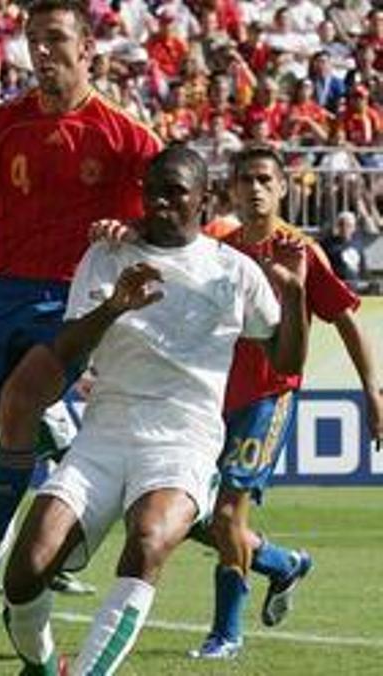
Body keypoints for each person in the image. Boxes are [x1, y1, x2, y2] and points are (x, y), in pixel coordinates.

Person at [2, 145, 309, 676]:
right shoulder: (107, 254)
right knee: (24, 573)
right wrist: (113, 306)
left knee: (147, 542)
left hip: (182, 441)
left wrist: (297, 299)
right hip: (104, 437)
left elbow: (285, 358)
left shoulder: (233, 271)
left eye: (175, 192)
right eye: (152, 191)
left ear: (204, 199)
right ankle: (46, 666)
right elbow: (66, 349)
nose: (160, 202)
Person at [0, 0, 161, 607]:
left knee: (19, 401)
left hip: (72, 299)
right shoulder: (2, 124)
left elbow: (173, 212)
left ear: (87, 48)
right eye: (33, 40)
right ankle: (11, 509)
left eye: (55, 39)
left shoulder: (126, 135)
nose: (42, 51)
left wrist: (135, 230)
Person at [185, 145, 383, 659]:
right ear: (230, 190)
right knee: (187, 515)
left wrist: (373, 391)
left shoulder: (299, 251)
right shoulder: (217, 248)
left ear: (282, 188)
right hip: (211, 400)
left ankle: (225, 634)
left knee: (227, 514)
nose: (254, 189)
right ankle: (280, 563)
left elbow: (344, 320)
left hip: (269, 397)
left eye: (264, 180)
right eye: (245, 179)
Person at [319, 211, 368, 291]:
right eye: (341, 224)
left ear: (354, 228)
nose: (345, 228)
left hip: (354, 287)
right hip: (335, 287)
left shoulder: (358, 244)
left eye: (349, 225)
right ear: (337, 226)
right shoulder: (327, 244)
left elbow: (362, 266)